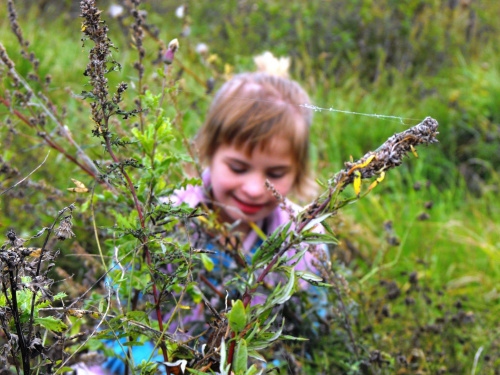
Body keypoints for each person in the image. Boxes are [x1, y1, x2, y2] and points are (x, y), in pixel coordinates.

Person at [86, 52, 328, 375]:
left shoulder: (304, 242)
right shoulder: (162, 223)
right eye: (238, 167)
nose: (255, 188)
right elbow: (114, 322)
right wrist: (148, 360)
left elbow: (312, 340)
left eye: (277, 172)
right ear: (208, 152)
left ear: (298, 172)